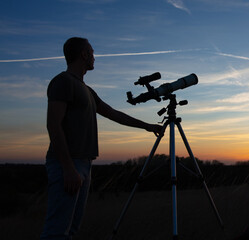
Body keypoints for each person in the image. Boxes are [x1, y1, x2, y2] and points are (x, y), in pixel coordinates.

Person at [40, 37, 163, 240]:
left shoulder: (87, 90)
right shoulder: (63, 82)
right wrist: (68, 168)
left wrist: (147, 126)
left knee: (70, 230)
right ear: (84, 54)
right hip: (69, 164)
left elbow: (113, 113)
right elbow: (53, 125)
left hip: (84, 164)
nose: (94, 57)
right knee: (57, 232)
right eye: (92, 52)